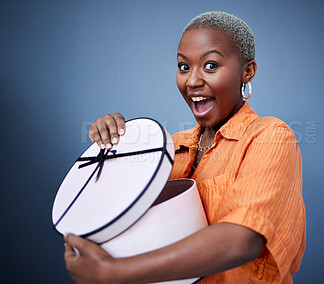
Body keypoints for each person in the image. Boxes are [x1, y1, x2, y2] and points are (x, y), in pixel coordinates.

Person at [64, 11, 306, 284]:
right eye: (183, 67)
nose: (192, 81)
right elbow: (115, 214)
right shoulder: (167, 147)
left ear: (247, 72)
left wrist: (113, 272)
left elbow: (243, 239)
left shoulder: (270, 137)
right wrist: (112, 150)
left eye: (211, 65)